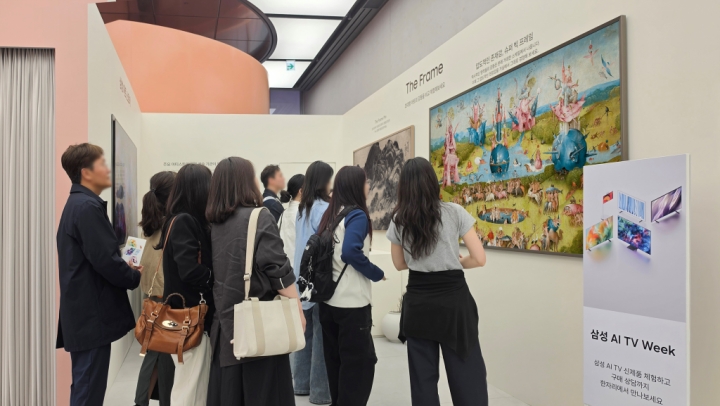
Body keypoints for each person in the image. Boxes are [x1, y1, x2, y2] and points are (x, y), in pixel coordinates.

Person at [386, 157, 489, 406]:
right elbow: (479, 258)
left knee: (423, 381)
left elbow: (399, 264)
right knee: (467, 375)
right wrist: (456, 261)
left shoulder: (399, 219)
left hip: (419, 304)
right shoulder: (454, 212)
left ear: (404, 186)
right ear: (432, 182)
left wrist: (422, 262)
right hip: (454, 304)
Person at [206, 157, 304, 406]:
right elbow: (278, 269)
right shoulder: (259, 217)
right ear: (245, 182)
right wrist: (297, 308)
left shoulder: (213, 223)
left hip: (225, 330)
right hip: (258, 328)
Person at [56, 143, 143, 406]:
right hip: (90, 317)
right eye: (102, 164)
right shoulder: (86, 207)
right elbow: (106, 261)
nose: (108, 170)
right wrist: (132, 276)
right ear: (86, 172)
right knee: (88, 392)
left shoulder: (80, 204)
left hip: (84, 315)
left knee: (85, 387)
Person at [317, 166, 385, 406]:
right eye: (366, 182)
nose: (368, 186)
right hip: (352, 305)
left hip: (328, 302)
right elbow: (350, 252)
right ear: (356, 186)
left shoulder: (330, 215)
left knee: (336, 363)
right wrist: (376, 273)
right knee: (359, 368)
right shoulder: (357, 215)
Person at [158, 164, 215, 406]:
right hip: (189, 318)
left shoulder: (178, 219)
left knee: (191, 382)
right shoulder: (184, 221)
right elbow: (189, 270)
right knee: (191, 385)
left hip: (185, 316)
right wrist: (213, 277)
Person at [134, 171, 177, 406]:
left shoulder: (148, 225)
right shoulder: (172, 225)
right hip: (166, 299)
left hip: (151, 297)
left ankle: (142, 401)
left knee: (155, 355)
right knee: (160, 357)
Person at [293, 161, 334, 404]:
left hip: (301, 278)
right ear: (324, 181)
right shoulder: (324, 209)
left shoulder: (302, 208)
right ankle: (320, 393)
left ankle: (300, 384)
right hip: (318, 278)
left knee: (304, 331)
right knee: (320, 336)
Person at [278, 174, 304, 262]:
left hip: (284, 264)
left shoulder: (284, 213)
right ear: (301, 191)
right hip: (298, 265)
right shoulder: (302, 214)